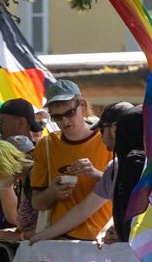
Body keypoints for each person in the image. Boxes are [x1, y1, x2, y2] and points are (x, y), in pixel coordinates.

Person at [28, 80, 110, 239]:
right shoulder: (46, 145)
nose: (65, 121)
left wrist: (96, 174)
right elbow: (37, 203)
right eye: (57, 117)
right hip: (60, 239)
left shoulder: (107, 139)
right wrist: (52, 192)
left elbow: (125, 190)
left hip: (102, 240)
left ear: (83, 107)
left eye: (70, 113)